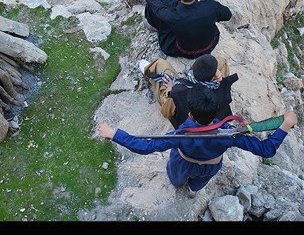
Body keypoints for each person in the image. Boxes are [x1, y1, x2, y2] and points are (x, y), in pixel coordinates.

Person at [98, 84, 297, 197]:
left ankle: (179, 185)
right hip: (210, 167)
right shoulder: (228, 133)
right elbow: (266, 150)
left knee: (175, 178)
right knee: (199, 182)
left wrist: (115, 134)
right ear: (215, 110)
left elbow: (146, 146)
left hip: (183, 162)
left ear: (191, 113)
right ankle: (193, 190)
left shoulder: (181, 135)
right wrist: (285, 125)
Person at [139, 0, 232, 58]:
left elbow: (155, 4)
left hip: (184, 51)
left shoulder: (174, 17)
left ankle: (154, 25)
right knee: (184, 8)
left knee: (153, 7)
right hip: (209, 45)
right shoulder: (211, 7)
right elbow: (228, 15)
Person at [139, 54, 238, 129]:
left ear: (193, 65)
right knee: (221, 60)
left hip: (189, 121)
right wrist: (219, 76)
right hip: (216, 118)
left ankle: (147, 69)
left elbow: (166, 113)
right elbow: (219, 65)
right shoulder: (221, 86)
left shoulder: (178, 91)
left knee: (161, 66)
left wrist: (170, 90)